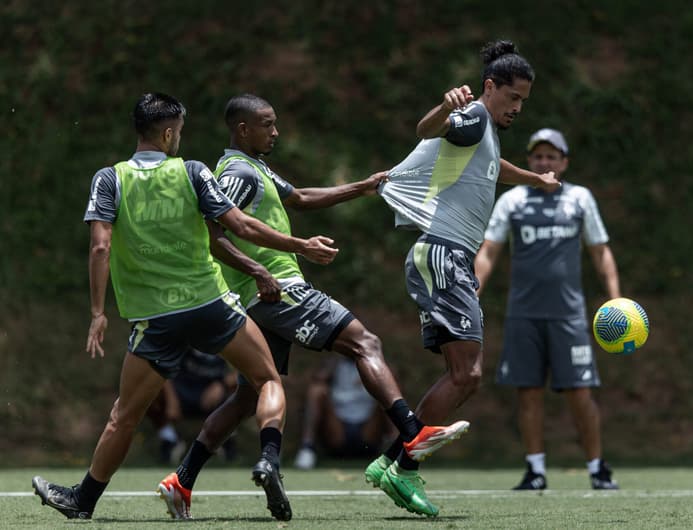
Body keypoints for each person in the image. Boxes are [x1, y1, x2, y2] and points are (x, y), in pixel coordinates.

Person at [157, 93, 470, 520]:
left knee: (247, 397)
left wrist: (364, 186)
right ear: (243, 129)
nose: (276, 131)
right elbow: (213, 234)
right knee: (365, 342)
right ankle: (412, 433)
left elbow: (301, 198)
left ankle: (181, 480)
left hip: (260, 299)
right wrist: (262, 271)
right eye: (267, 124)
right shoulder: (239, 173)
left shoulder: (256, 168)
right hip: (278, 290)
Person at [31, 92, 338, 521]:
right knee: (268, 379)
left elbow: (100, 247)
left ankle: (83, 501)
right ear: (170, 132)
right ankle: (268, 458)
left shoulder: (109, 178)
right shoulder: (192, 172)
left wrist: (98, 312)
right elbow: (242, 225)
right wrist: (299, 245)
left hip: (155, 317)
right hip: (211, 305)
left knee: (124, 416)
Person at [371, 40, 561, 516]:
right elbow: (426, 129)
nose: (517, 108)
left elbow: (494, 170)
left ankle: (392, 463)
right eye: (512, 97)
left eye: (523, 102)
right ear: (490, 87)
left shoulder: (487, 133)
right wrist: (445, 107)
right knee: (467, 374)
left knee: (464, 373)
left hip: (447, 259)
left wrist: (536, 180)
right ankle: (404, 469)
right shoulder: (474, 117)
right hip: (443, 254)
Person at [474, 127, 621, 490]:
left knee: (580, 393)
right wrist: (473, 291)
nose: (545, 161)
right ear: (529, 162)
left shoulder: (580, 199)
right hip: (523, 314)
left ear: (564, 162)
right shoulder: (512, 201)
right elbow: (489, 250)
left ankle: (597, 468)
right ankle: (535, 470)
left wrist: (615, 298)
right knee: (528, 392)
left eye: (552, 156)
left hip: (568, 316)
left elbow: (600, 250)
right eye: (538, 156)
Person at [294, 356, 396, 470]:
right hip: (338, 427)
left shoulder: (374, 363)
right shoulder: (335, 362)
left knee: (389, 391)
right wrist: (332, 364)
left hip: (369, 428)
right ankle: (307, 447)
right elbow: (318, 379)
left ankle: (397, 449)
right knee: (317, 390)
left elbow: (392, 382)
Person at [146, 348, 238, 464]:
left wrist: (222, 384)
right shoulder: (182, 333)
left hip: (214, 399)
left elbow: (253, 367)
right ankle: (169, 439)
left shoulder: (231, 334)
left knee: (245, 388)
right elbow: (161, 365)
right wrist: (172, 400)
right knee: (149, 389)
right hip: (182, 395)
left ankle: (225, 438)